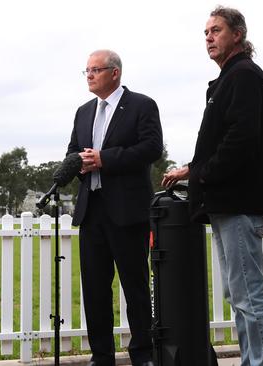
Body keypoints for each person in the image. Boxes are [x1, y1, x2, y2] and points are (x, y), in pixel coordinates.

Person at [162, 6, 263, 366]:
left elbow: (240, 140)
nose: (209, 37)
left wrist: (201, 174)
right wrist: (191, 169)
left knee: (248, 294)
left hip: (239, 202)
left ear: (237, 34)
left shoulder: (243, 75)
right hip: (226, 203)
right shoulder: (229, 78)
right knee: (238, 292)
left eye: (216, 30)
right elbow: (224, 141)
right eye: (206, 32)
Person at [67, 49, 162, 366]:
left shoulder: (141, 105)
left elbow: (151, 148)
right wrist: (78, 165)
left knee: (134, 286)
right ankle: (102, 355)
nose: (90, 75)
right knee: (94, 289)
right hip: (91, 211)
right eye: (87, 71)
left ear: (115, 72)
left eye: (95, 69)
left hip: (128, 211)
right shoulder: (82, 112)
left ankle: (143, 354)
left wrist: (106, 159)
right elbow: (72, 152)